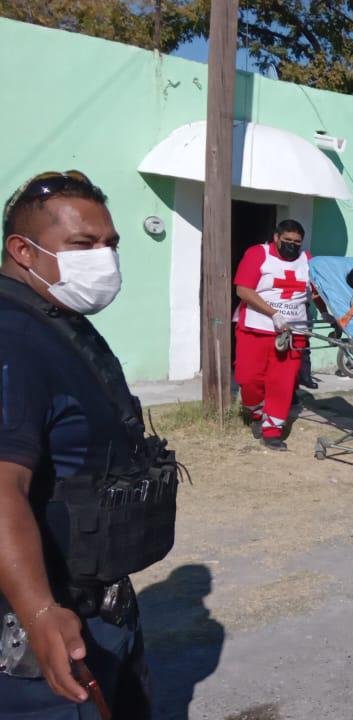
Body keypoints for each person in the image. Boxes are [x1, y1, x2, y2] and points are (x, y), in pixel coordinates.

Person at [1, 170, 179, 718]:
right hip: (48, 641)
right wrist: (38, 613)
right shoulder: (12, 337)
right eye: (83, 245)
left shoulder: (57, 319)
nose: (104, 258)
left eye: (110, 244)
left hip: (102, 610)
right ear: (22, 251)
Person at [233, 219, 312, 450]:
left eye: (296, 242)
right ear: (276, 238)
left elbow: (317, 292)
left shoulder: (307, 260)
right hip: (256, 328)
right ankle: (256, 413)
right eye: (287, 241)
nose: (291, 246)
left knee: (282, 383)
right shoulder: (258, 254)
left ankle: (272, 430)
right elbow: (243, 289)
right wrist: (274, 313)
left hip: (293, 332)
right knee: (248, 379)